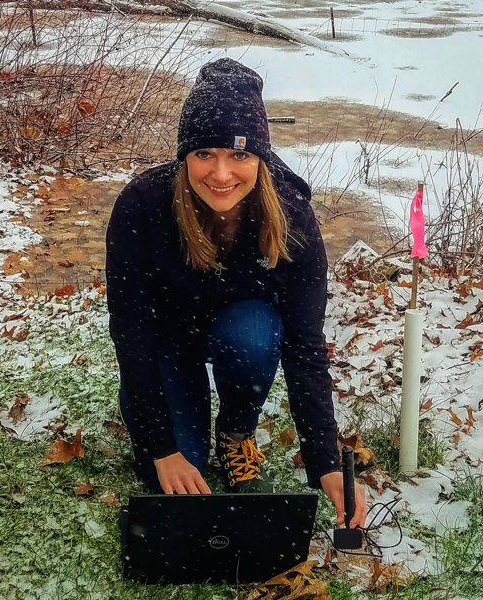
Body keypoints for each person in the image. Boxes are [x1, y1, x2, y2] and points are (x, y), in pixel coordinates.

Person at [106, 58, 366, 528]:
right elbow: (132, 334)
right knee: (170, 469)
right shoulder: (141, 205)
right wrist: (161, 447)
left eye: (240, 155)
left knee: (254, 329)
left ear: (260, 158)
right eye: (205, 153)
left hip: (242, 335)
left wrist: (324, 459)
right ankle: (175, 425)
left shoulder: (292, 217)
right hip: (167, 340)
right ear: (184, 155)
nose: (221, 174)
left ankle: (236, 429)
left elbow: (305, 348)